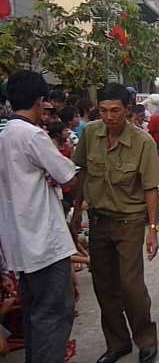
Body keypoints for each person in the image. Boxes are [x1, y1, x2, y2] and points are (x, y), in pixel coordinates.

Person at [73, 82, 159, 363]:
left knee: (130, 285)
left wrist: (152, 230)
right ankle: (117, 343)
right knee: (104, 284)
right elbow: (83, 174)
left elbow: (150, 187)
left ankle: (145, 339)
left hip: (130, 221)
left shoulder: (142, 142)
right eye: (103, 111)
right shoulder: (90, 134)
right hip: (99, 220)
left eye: (115, 110)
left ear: (128, 110)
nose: (109, 117)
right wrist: (77, 213)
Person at [0, 71, 78, 363]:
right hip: (42, 240)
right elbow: (66, 173)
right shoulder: (32, 135)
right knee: (55, 312)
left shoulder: (6, 132)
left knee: (36, 313)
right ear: (39, 100)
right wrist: (57, 172)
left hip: (20, 241)